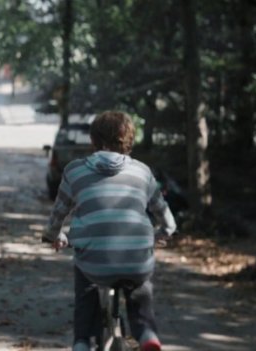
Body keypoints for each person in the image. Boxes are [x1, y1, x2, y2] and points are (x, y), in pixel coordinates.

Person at [46, 111, 176, 351]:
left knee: (86, 287)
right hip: (136, 258)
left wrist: (55, 236)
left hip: (94, 261)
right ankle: (147, 336)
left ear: (93, 140)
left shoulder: (74, 171)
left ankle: (82, 341)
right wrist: (160, 235)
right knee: (140, 291)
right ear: (129, 140)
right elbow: (167, 219)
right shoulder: (143, 172)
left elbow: (58, 215)